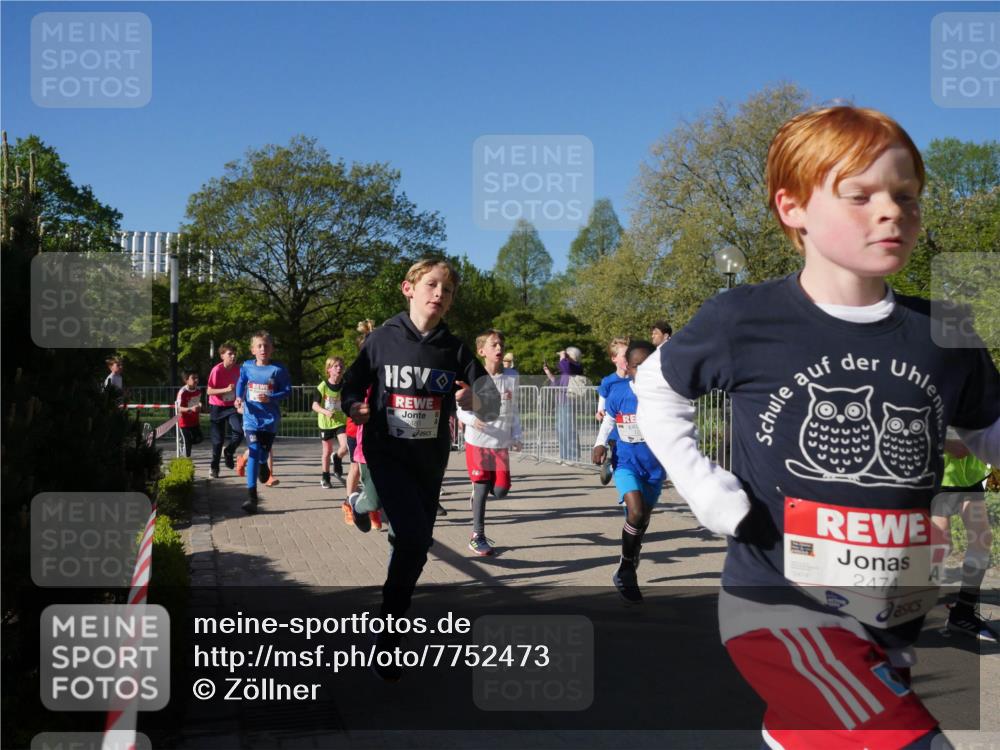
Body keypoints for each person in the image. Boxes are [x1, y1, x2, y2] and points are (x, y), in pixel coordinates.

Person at [635, 106, 1000, 750]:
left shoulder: (946, 330)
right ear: (792, 208)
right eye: (860, 196)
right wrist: (705, 488)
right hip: (778, 607)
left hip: (893, 614)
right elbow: (655, 389)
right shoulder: (742, 317)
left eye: (906, 196)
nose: (891, 211)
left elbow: (988, 428)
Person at [341, 258, 499, 681]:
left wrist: (473, 401)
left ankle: (360, 502)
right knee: (413, 538)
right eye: (432, 285)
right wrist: (353, 405)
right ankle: (389, 638)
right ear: (408, 289)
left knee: (411, 541)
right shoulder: (381, 340)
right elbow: (352, 384)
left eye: (447, 290)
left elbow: (491, 400)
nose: (439, 295)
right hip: (384, 452)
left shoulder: (455, 347)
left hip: (428, 463)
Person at [592, 340, 664, 605]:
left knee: (641, 519)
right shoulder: (619, 393)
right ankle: (625, 569)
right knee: (635, 511)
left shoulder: (664, 395)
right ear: (629, 368)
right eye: (638, 366)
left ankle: (631, 554)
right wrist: (600, 443)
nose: (644, 371)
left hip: (654, 469)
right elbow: (609, 420)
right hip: (625, 463)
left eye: (649, 365)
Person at [456, 328, 523, 556]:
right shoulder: (473, 377)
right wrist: (472, 421)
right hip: (477, 441)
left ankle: (477, 493)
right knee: (483, 488)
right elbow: (459, 410)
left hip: (500, 443)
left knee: (502, 491)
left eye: (501, 344)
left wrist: (516, 435)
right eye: (494, 345)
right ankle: (478, 536)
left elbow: (514, 410)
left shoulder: (512, 377)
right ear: (481, 350)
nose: (499, 348)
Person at [931, 429, 997, 642]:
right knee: (938, 545)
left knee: (982, 539)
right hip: (939, 473)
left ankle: (963, 613)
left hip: (969, 474)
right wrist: (947, 443)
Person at [234, 330, 292, 514]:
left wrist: (272, 397)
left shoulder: (278, 369)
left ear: (272, 349)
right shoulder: (247, 366)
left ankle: (262, 464)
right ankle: (252, 498)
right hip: (251, 418)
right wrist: (237, 398)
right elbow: (241, 383)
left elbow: (288, 390)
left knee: (261, 454)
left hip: (270, 420)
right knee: (253, 450)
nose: (263, 349)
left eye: (266, 345)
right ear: (252, 350)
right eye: (259, 346)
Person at [595, 337, 630, 486]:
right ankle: (610, 466)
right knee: (619, 459)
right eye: (624, 356)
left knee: (628, 460)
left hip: (634, 427)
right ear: (614, 359)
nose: (628, 359)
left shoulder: (637, 379)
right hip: (615, 427)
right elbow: (603, 397)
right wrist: (599, 411)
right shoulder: (609, 381)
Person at [206, 342, 244, 478]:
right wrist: (225, 390)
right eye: (230, 354)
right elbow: (209, 391)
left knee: (239, 432)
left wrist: (241, 399)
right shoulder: (217, 370)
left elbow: (243, 386)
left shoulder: (239, 369)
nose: (233, 356)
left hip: (232, 406)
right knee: (217, 441)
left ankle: (229, 451)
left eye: (234, 354)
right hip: (217, 407)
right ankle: (214, 468)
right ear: (222, 356)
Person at [313, 356, 349, 489]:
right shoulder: (322, 386)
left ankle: (338, 458)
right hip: (326, 423)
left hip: (340, 421)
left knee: (345, 447)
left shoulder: (345, 385)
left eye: (341, 366)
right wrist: (325, 411)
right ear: (329, 369)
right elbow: (314, 406)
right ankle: (325, 476)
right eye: (336, 366)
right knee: (327, 451)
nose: (339, 368)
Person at [543, 347, 584, 462]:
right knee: (560, 430)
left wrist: (562, 356)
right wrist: (549, 373)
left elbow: (565, 367)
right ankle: (564, 456)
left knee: (569, 430)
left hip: (569, 403)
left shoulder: (576, 367)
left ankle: (573, 457)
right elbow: (556, 384)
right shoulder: (566, 372)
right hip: (561, 403)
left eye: (567, 356)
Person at [175, 368, 203, 458]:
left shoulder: (198, 391)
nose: (196, 380)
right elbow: (178, 408)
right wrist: (190, 409)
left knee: (199, 439)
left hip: (194, 421)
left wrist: (200, 405)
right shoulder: (182, 392)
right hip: (184, 422)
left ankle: (183, 443)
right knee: (188, 441)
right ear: (186, 380)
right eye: (193, 378)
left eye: (197, 378)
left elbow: (197, 402)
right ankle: (186, 460)